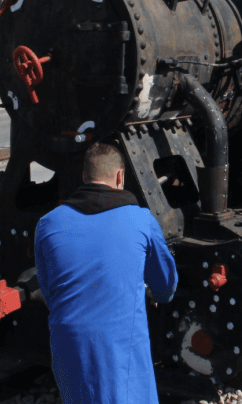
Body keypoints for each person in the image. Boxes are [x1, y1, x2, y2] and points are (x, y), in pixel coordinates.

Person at [34, 143, 179, 404]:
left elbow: (49, 291)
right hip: (120, 347)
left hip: (69, 345)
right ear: (120, 176)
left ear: (84, 178)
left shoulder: (48, 224)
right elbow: (166, 286)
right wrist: (152, 293)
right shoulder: (141, 219)